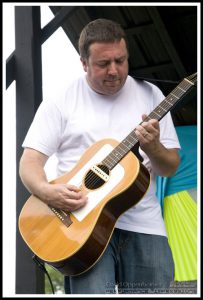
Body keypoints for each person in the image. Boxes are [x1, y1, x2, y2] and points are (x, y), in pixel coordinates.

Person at [19, 18, 181, 294]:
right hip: (78, 231)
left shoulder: (151, 94)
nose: (115, 71)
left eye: (120, 60)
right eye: (103, 64)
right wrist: (48, 192)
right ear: (83, 63)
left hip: (146, 225)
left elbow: (169, 167)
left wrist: (153, 147)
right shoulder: (62, 100)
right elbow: (30, 163)